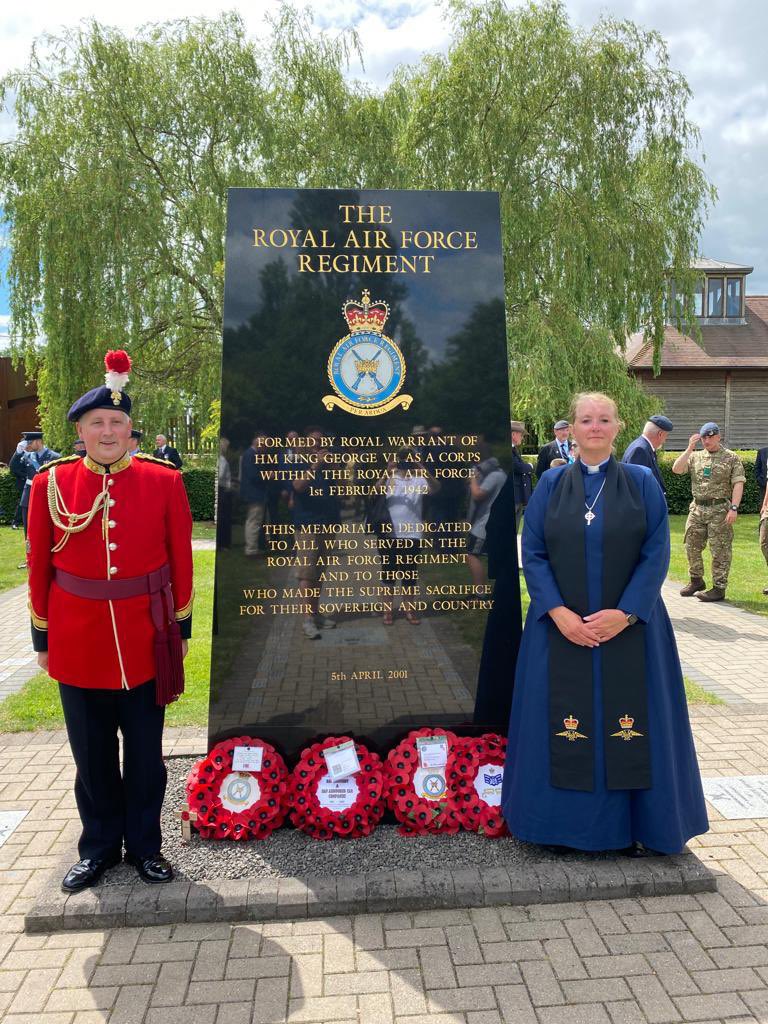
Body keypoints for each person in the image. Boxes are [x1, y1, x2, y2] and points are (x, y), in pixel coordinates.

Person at [502, 392, 708, 855]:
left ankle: (639, 827)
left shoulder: (641, 483)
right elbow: (531, 552)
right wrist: (558, 612)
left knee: (632, 725)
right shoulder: (551, 486)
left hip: (632, 632)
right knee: (561, 722)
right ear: (571, 428)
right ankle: (557, 827)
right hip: (558, 633)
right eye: (585, 419)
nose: (595, 427)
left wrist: (627, 612)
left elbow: (657, 552)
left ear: (618, 427)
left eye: (604, 419)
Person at [26, 350, 193, 894]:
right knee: (92, 758)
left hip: (147, 640)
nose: (107, 431)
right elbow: (39, 565)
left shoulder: (163, 481)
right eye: (96, 422)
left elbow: (182, 559)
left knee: (146, 758)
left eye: (117, 422)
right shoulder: (52, 484)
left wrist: (181, 630)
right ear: (78, 429)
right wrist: (42, 638)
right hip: (77, 642)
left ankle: (146, 847)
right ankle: (98, 848)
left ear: (130, 431)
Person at [672, 422, 745, 602]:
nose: (706, 441)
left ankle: (719, 588)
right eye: (704, 437)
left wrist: (734, 508)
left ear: (719, 437)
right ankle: (696, 581)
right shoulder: (696, 457)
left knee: (720, 549)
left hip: (719, 509)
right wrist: (689, 448)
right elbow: (676, 469)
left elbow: (738, 483)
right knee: (691, 545)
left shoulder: (731, 458)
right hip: (697, 508)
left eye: (710, 437)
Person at [378, 448, 439, 625]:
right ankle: (387, 611)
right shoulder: (391, 478)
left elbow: (436, 488)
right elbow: (375, 491)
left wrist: (423, 469)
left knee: (409, 574)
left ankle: (409, 610)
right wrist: (387, 472)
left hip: (412, 534)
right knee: (388, 573)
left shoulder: (420, 479)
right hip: (389, 533)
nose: (406, 461)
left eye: (410, 458)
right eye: (403, 458)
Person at [292, 429, 341, 638]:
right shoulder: (298, 462)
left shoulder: (329, 464)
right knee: (306, 573)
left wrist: (332, 466)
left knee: (319, 573)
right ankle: (307, 620)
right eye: (314, 444)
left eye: (322, 443)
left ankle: (316, 612)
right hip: (307, 525)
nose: (319, 447)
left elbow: (341, 487)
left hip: (328, 523)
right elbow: (298, 486)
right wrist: (316, 465)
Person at [9, 431, 61, 538]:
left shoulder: (54, 456)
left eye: (30, 442)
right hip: (28, 495)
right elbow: (14, 468)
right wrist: (18, 452)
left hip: (47, 495)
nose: (27, 445)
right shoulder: (27, 456)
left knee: (47, 528)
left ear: (38, 442)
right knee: (28, 530)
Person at [467, 452, 508, 587]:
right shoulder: (500, 474)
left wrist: (472, 478)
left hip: (484, 523)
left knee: (472, 554)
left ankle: (479, 593)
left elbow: (478, 494)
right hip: (493, 521)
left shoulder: (495, 476)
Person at [622, 415, 673, 497]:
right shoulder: (640, 450)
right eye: (666, 436)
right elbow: (636, 488)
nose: (665, 441)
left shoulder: (644, 447)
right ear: (660, 434)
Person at [240, 432, 268, 557]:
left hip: (254, 492)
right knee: (254, 521)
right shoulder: (251, 455)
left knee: (254, 520)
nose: (266, 448)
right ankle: (251, 550)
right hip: (254, 493)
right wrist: (268, 475)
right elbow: (253, 475)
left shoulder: (250, 454)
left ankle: (253, 548)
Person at [509, 421, 533, 527]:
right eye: (521, 435)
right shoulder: (509, 450)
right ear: (513, 434)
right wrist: (530, 466)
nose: (522, 438)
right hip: (513, 496)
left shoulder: (514, 449)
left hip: (518, 496)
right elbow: (518, 467)